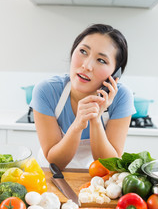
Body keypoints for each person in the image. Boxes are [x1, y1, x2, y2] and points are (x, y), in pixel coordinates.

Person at [30, 23, 136, 170]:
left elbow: (110, 166)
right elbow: (55, 163)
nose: (87, 66)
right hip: (50, 176)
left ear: (114, 73)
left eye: (101, 60)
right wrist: (78, 124)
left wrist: (96, 119)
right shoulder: (46, 90)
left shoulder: (122, 97)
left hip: (96, 180)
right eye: (83, 51)